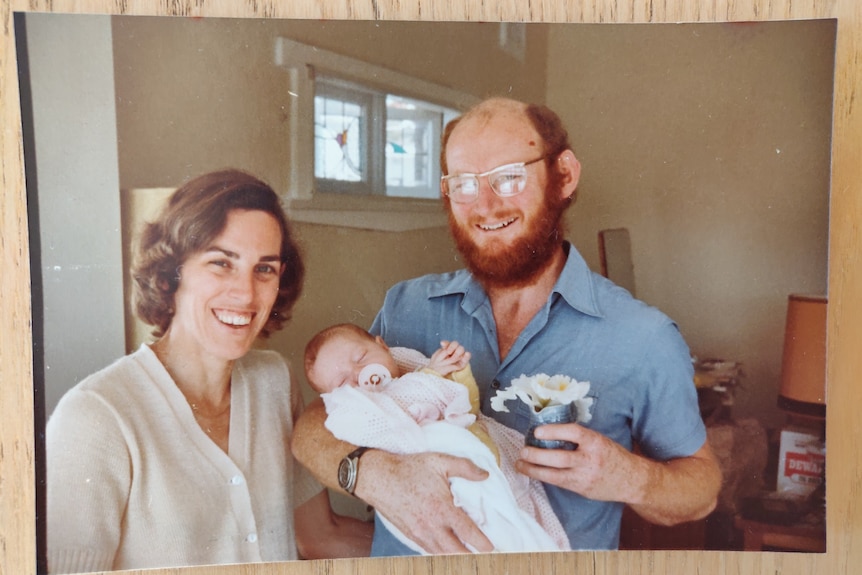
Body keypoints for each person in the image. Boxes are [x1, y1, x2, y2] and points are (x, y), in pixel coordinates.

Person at [292, 97, 722, 554]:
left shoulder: (642, 337)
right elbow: (315, 425)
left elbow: (702, 487)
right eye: (463, 184)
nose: (485, 205)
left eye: (509, 177)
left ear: (564, 176)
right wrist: (375, 474)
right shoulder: (406, 307)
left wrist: (630, 477)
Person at [45, 169, 372, 573]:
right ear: (172, 273)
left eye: (264, 269)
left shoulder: (274, 381)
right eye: (221, 263)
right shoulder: (96, 417)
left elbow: (321, 534)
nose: (246, 293)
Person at [303, 323, 570, 553]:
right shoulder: (362, 411)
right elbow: (402, 404)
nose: (360, 376)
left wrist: (454, 370)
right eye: (343, 384)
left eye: (361, 357)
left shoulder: (414, 369)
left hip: (488, 463)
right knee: (495, 536)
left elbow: (465, 403)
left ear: (382, 346)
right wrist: (432, 375)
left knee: (525, 521)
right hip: (443, 485)